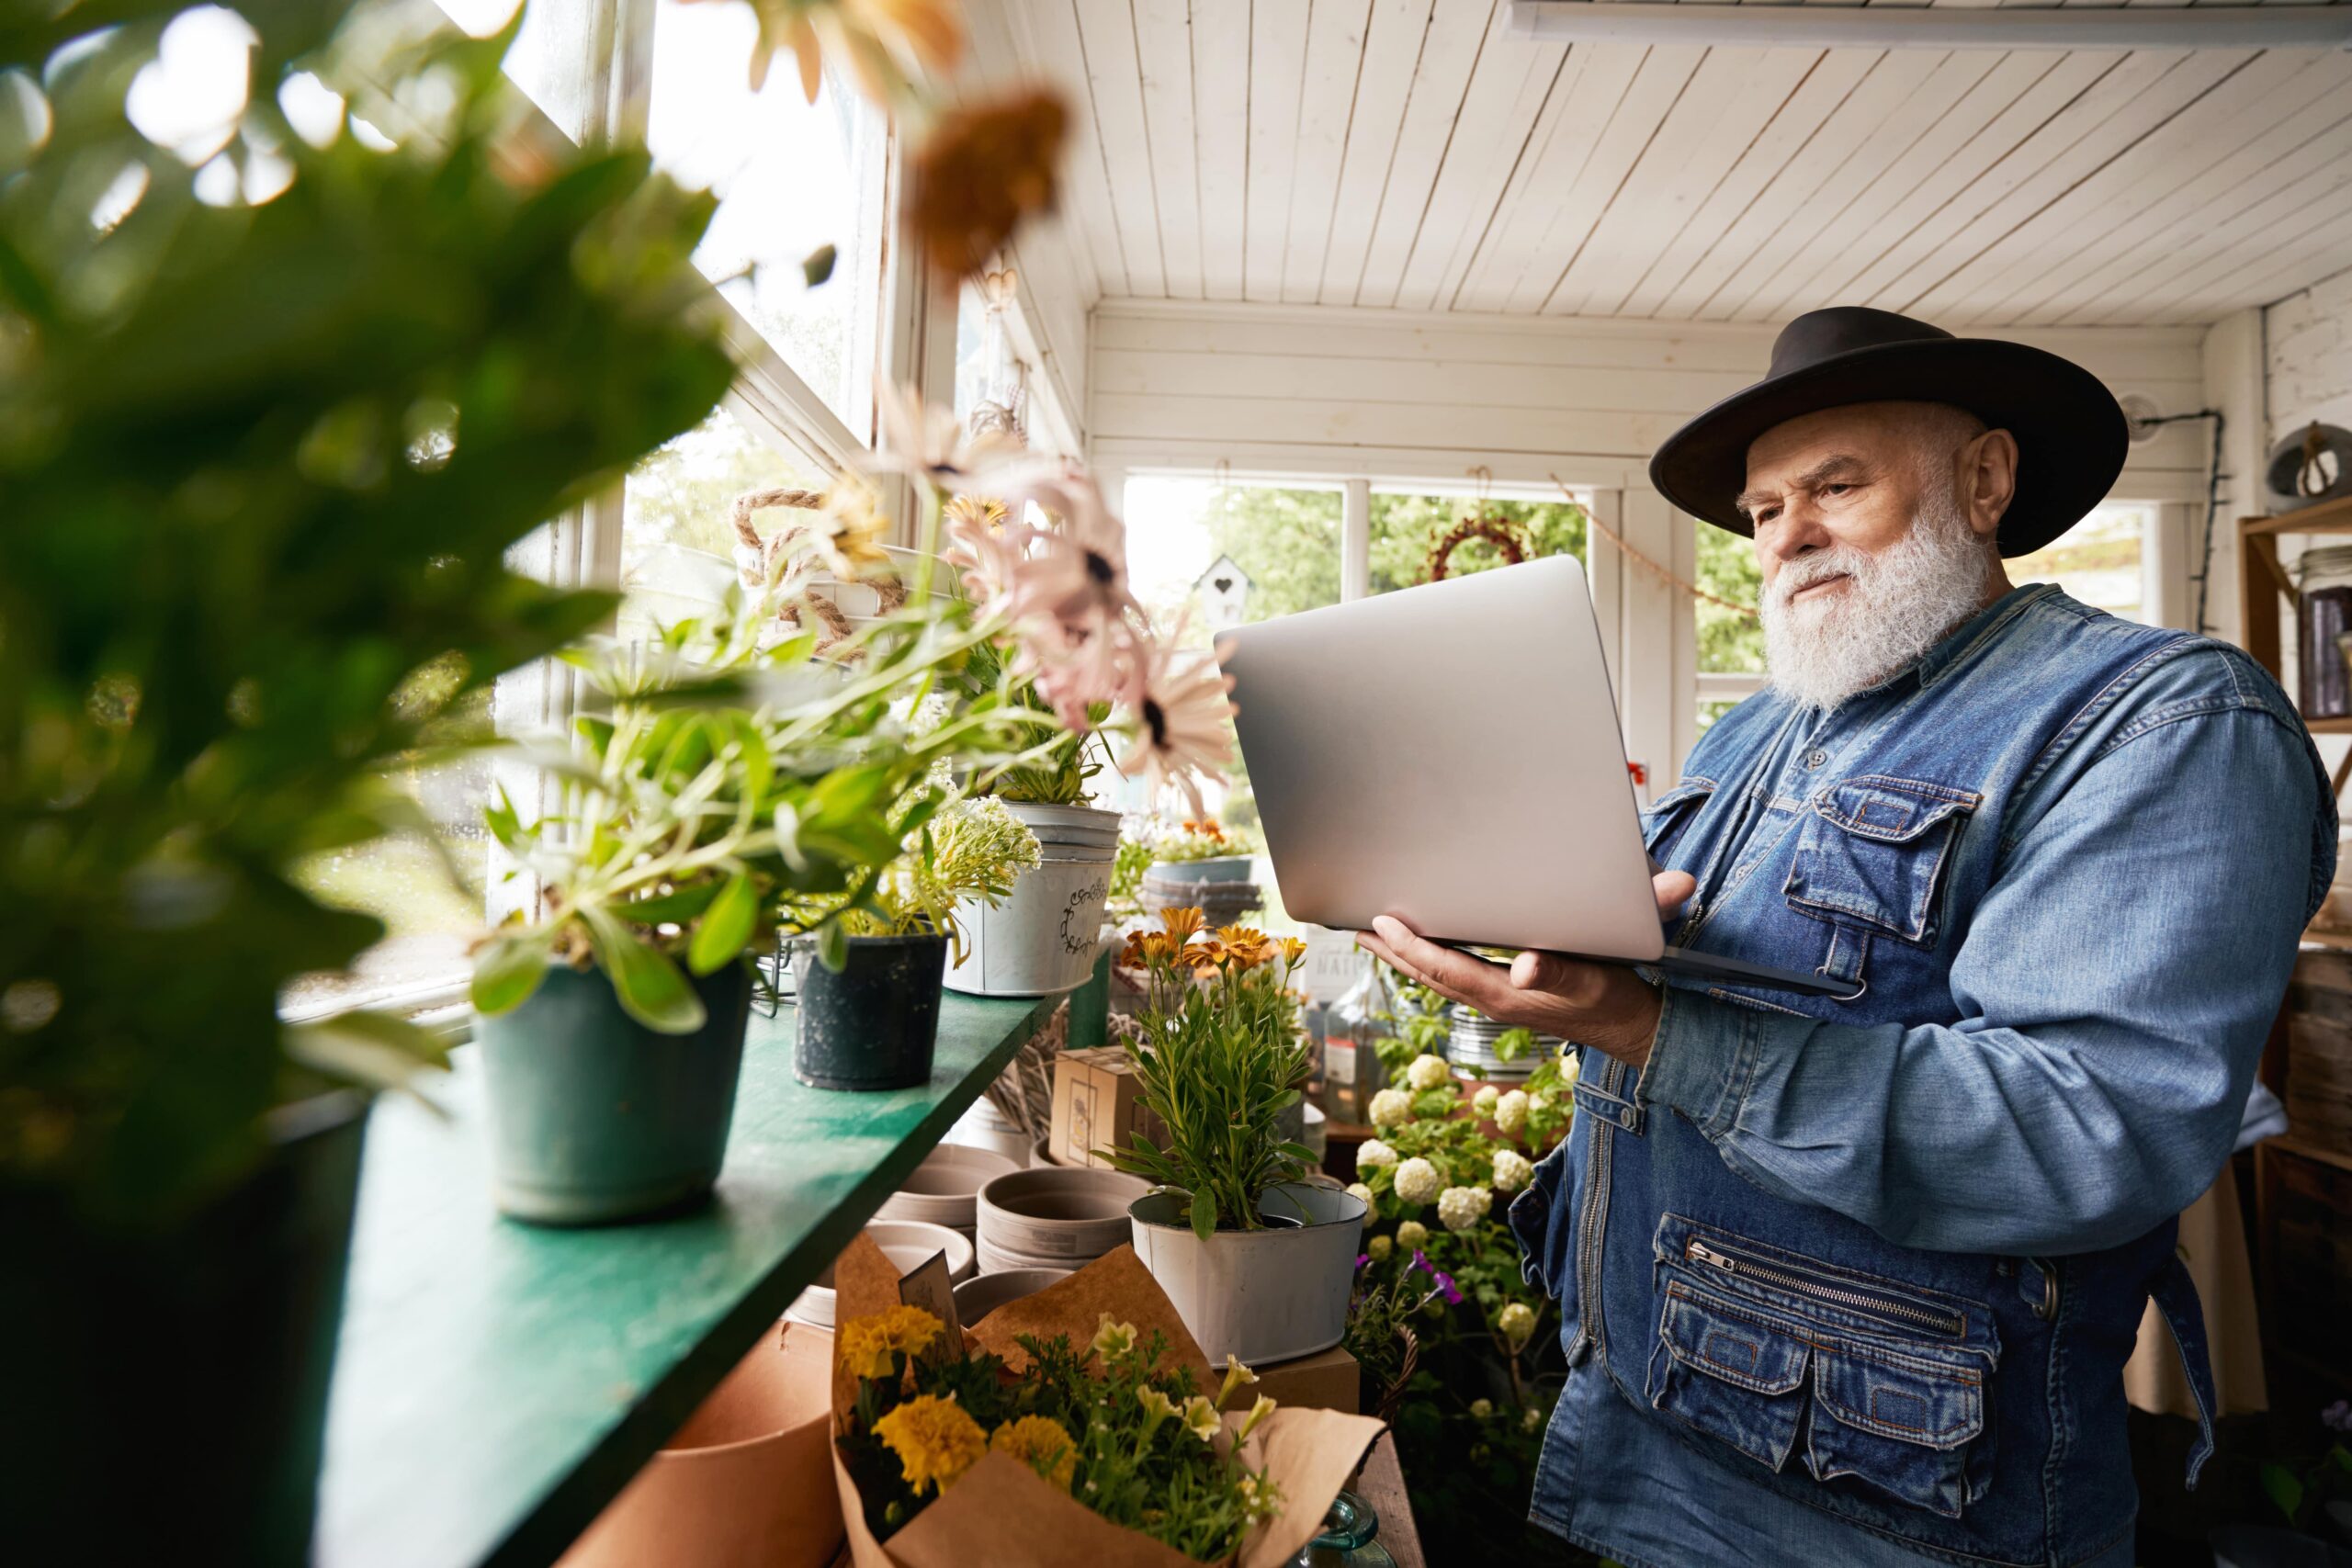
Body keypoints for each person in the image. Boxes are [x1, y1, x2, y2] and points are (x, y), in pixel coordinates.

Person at [1357, 307, 2335, 1568]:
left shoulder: (2160, 720)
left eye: (1837, 485)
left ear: (1985, 480)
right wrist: (1534, 932)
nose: (1790, 536)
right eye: (1766, 510)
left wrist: (1648, 1027)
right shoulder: (1750, 736)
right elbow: (1672, 987)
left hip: (1894, 1509)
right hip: (1637, 1431)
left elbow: (2088, 1127)